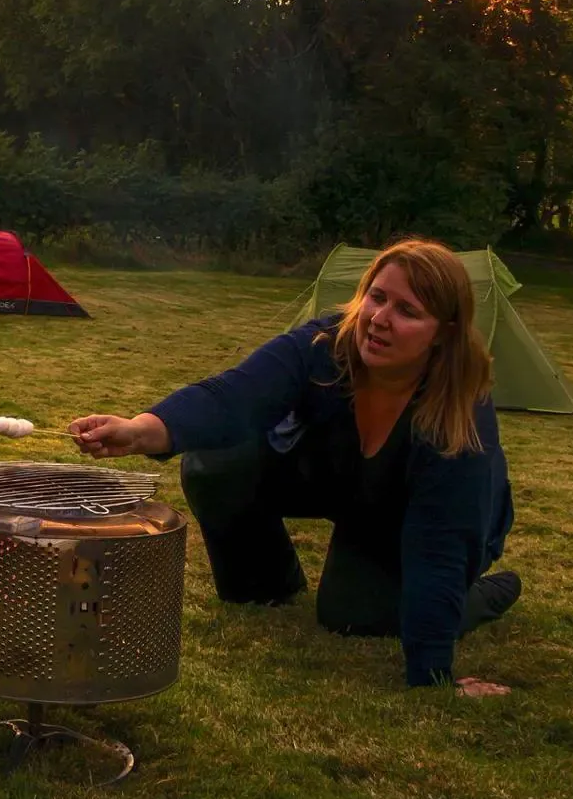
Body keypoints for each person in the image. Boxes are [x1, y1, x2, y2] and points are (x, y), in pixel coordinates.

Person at [71, 239, 521, 695]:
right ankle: (266, 585)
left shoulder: (459, 415)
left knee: (356, 616)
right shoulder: (323, 346)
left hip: (434, 524)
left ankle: (486, 593)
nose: (380, 319)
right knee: (216, 462)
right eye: (377, 297)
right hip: (345, 486)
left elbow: (442, 544)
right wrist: (141, 429)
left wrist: (432, 676)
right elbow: (233, 395)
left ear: (442, 333)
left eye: (408, 311)